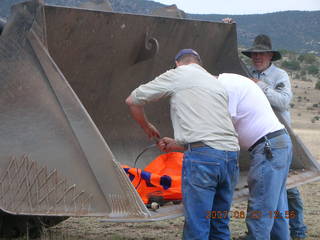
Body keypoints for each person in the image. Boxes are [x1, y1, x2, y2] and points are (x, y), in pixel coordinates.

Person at [161, 73, 293, 239]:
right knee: (276, 210)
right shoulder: (232, 80)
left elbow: (221, 130)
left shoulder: (225, 87)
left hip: (268, 149)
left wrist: (183, 144)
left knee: (260, 213)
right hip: (277, 144)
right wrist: (181, 144)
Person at [125, 49, 240, 240]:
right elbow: (212, 130)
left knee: (198, 225)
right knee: (218, 223)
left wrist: (146, 127)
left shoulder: (178, 74)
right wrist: (179, 144)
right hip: (230, 157)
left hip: (204, 160)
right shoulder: (215, 83)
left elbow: (132, 100)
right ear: (199, 63)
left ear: (177, 63)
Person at [242, 34, 307, 239]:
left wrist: (260, 86)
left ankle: (298, 230)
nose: (257, 57)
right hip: (259, 137)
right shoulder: (247, 73)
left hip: (279, 136)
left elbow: (283, 101)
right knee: (268, 188)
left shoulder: (280, 76)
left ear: (270, 55)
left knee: (288, 188)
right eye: (254, 53)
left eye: (261, 53)